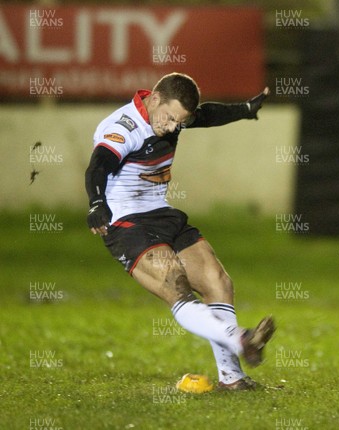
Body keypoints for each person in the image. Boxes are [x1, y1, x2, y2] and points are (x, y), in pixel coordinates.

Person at [84, 72, 275, 392]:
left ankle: (233, 379)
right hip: (127, 224)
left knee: (218, 281)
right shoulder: (123, 127)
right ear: (154, 99)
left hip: (163, 215)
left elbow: (207, 115)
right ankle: (240, 338)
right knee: (177, 284)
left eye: (179, 122)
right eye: (171, 119)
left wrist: (244, 109)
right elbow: (99, 164)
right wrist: (96, 203)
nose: (173, 127)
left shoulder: (170, 114)